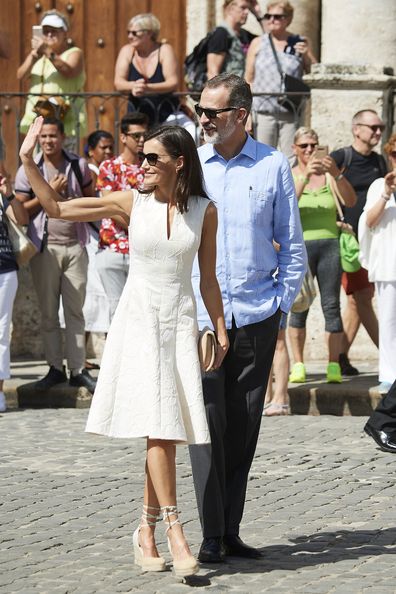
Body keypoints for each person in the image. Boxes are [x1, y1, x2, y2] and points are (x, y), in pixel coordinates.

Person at [19, 116, 229, 578]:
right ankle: (175, 530)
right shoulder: (129, 201)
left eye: (153, 157)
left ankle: (145, 530)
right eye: (142, 155)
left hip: (179, 320)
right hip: (139, 320)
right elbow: (56, 208)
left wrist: (220, 326)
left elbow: (208, 279)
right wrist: (25, 160)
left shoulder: (204, 211)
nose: (143, 163)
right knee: (161, 427)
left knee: (165, 427)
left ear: (179, 162)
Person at [189, 73, 306, 563]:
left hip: (257, 313)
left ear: (240, 115)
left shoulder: (274, 164)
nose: (203, 119)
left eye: (211, 112)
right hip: (202, 316)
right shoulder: (192, 165)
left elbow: (292, 245)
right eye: (201, 110)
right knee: (208, 424)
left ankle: (231, 528)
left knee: (244, 425)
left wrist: (280, 308)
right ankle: (210, 533)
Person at [15, 117, 96, 393]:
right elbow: (22, 211)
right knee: (49, 312)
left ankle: (78, 369)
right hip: (44, 247)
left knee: (75, 310)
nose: (48, 141)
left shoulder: (78, 165)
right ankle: (54, 368)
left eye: (53, 136)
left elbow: (91, 200)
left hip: (75, 245)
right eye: (44, 137)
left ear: (63, 137)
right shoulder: (29, 168)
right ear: (39, 140)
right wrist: (51, 193)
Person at [288, 127, 357, 384]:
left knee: (331, 306)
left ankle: (333, 364)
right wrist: (305, 177)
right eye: (304, 146)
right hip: (301, 248)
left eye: (313, 145)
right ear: (294, 149)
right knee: (299, 306)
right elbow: (286, 209)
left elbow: (350, 202)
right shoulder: (292, 175)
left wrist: (336, 174)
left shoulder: (330, 177)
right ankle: (298, 364)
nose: (309, 150)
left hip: (329, 245)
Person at [330, 110, 386, 377]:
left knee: (356, 300)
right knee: (362, 297)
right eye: (373, 127)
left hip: (370, 240)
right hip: (344, 240)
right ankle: (389, 353)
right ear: (357, 129)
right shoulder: (343, 157)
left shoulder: (380, 162)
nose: (377, 132)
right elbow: (321, 185)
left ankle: (340, 356)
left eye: (380, 127)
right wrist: (335, 221)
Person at [245, 1, 317, 158]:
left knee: (291, 158)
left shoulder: (299, 42)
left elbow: (314, 75)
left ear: (288, 19)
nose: (271, 20)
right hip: (263, 111)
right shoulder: (258, 43)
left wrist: (307, 55)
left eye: (277, 16)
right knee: (263, 157)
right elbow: (248, 79)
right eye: (268, 16)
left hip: (290, 110)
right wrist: (247, 112)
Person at [95, 113, 148, 320]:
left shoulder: (151, 166)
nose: (142, 140)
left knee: (142, 313)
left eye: (145, 135)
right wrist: (141, 224)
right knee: (116, 313)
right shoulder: (109, 167)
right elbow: (110, 206)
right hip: (113, 248)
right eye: (136, 136)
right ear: (123, 137)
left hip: (143, 249)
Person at [358, 134, 396, 393]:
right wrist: (386, 193)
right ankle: (389, 374)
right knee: (389, 322)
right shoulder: (377, 186)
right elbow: (369, 222)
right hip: (388, 264)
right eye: (394, 155)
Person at [17, 9, 87, 146]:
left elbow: (68, 71)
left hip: (66, 122)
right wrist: (33, 56)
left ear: (65, 33)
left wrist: (47, 51)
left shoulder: (75, 53)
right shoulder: (38, 56)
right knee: (36, 165)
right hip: (38, 122)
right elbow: (20, 75)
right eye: (45, 31)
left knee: (66, 164)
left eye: (54, 31)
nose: (49, 35)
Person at [114, 13, 179, 126]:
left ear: (149, 33)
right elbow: (118, 82)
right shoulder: (127, 51)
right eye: (128, 32)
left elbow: (173, 82)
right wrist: (134, 86)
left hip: (167, 114)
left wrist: (147, 88)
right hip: (137, 115)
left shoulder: (164, 50)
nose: (130, 36)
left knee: (192, 132)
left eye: (134, 32)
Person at [0, 174, 29, 412]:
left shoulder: (2, 195)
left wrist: (9, 193)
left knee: (1, 333)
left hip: (5, 271)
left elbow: (21, 219)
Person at [205, 0, 257, 81]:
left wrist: (258, 13)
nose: (247, 12)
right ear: (230, 9)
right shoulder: (221, 34)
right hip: (228, 91)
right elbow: (212, 73)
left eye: (248, 8)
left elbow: (270, 40)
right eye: (243, 8)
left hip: (241, 90)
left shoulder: (244, 34)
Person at [263, 313, 290, 416]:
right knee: (263, 341)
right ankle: (266, 397)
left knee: (279, 339)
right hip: (259, 300)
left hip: (276, 298)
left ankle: (280, 399)